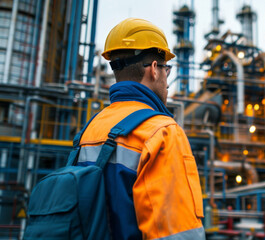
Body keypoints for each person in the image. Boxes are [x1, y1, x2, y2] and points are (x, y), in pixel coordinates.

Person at [77, 18, 205, 239]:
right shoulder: (162, 132)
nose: (167, 80)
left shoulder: (90, 128)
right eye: (167, 69)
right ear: (154, 69)